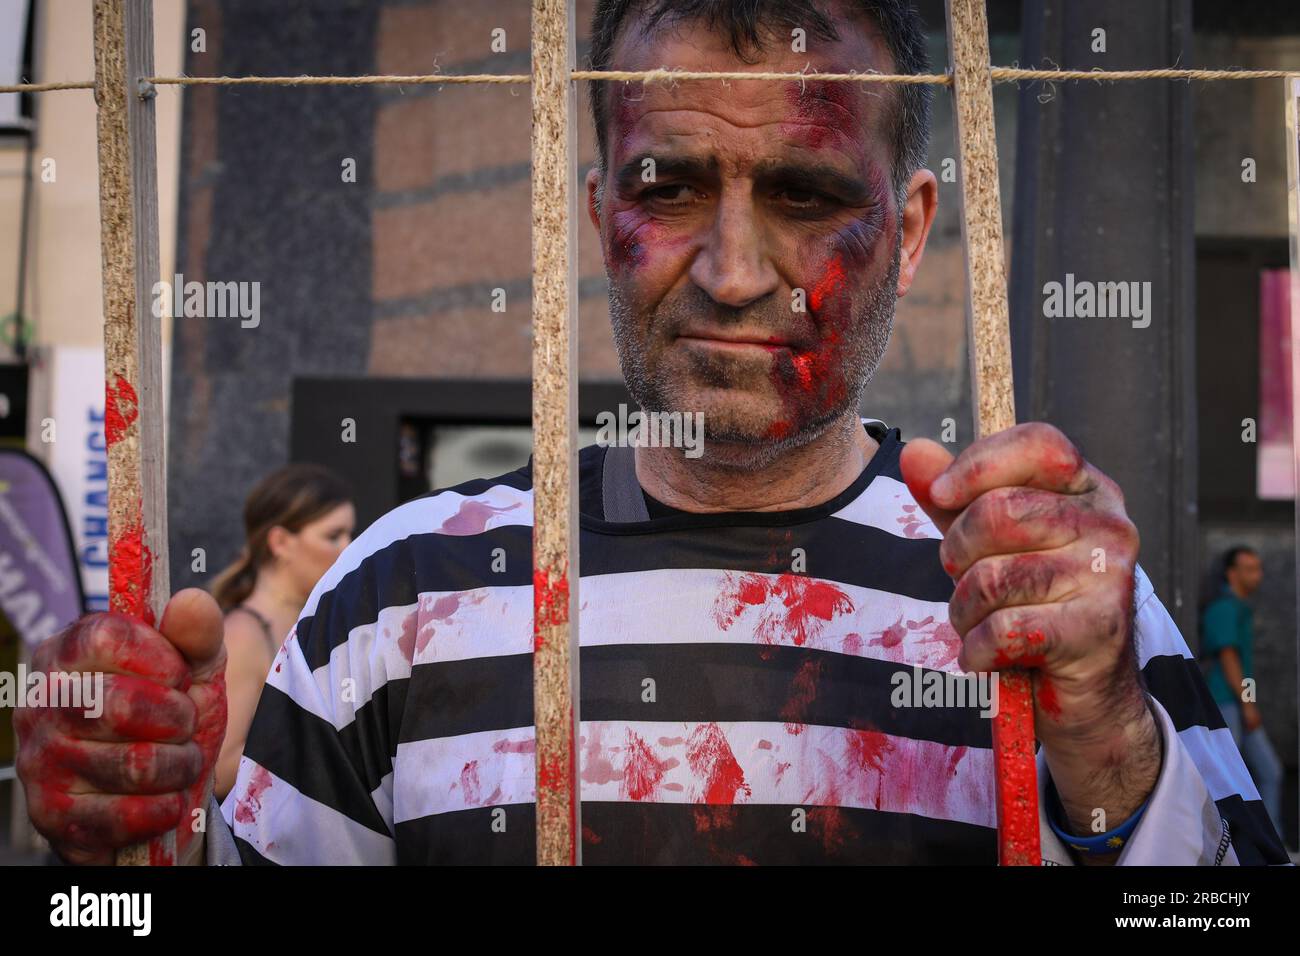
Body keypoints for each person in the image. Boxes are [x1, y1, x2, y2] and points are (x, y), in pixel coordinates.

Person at [16, 0, 1288, 866]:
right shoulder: (396, 594)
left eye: (803, 193)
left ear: (906, 230)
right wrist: (113, 867)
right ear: (590, 211)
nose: (733, 272)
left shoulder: (1043, 603)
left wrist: (1106, 736)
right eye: (667, 187)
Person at [208, 464, 355, 799]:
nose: (348, 548)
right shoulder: (243, 634)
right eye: (333, 536)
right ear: (280, 542)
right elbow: (220, 769)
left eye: (350, 534)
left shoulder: (318, 621)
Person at [1200, 546, 1285, 838]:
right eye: (1249, 569)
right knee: (1227, 778)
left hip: (1239, 703)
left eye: (1258, 568)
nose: (1257, 575)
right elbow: (1229, 658)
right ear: (1231, 573)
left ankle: (1271, 843)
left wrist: (1249, 702)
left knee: (1269, 772)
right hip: (1227, 704)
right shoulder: (1224, 608)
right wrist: (1248, 704)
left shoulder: (1238, 608)